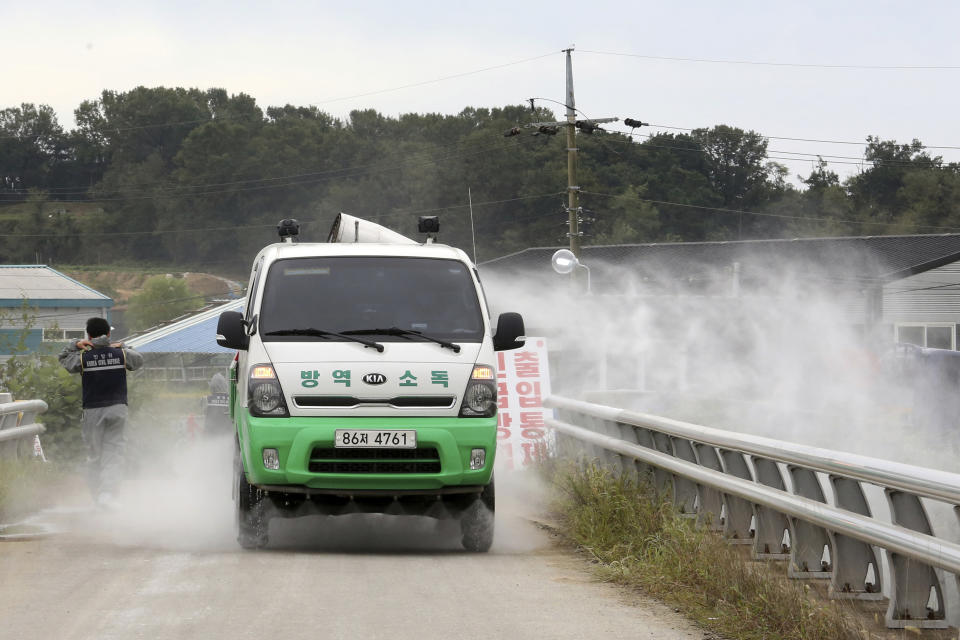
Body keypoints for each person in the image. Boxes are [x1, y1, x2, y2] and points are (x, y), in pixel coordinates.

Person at [58, 317, 143, 509]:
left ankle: (98, 498)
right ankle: (108, 495)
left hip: (92, 411)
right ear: (109, 334)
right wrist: (125, 345)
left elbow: (62, 358)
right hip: (118, 408)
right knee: (113, 453)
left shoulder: (83, 357)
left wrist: (75, 344)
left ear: (88, 336)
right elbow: (138, 361)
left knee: (95, 455)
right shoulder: (121, 353)